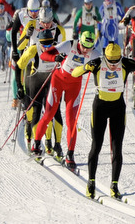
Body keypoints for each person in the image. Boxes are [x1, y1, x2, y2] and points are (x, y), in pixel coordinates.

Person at [74, 43, 135, 200]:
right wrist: (85, 67)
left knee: (117, 148)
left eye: (116, 61)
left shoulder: (125, 63)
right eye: (111, 61)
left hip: (118, 109)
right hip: (100, 108)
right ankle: (91, 182)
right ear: (105, 57)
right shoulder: (97, 63)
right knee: (96, 146)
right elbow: (75, 73)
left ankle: (114, 185)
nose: (114, 64)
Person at [31, 28, 100, 170]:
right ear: (79, 42)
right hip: (58, 80)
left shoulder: (95, 54)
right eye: (84, 47)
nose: (86, 51)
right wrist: (54, 58)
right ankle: (37, 143)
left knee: (71, 121)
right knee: (49, 113)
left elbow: (108, 65)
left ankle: (70, 154)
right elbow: (45, 55)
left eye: (89, 48)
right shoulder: (69, 45)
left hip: (74, 86)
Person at [16, 5, 65, 159]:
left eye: (48, 22)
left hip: (52, 73)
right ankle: (33, 141)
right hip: (33, 69)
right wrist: (26, 36)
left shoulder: (59, 31)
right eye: (43, 22)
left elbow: (65, 52)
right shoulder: (31, 26)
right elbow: (19, 48)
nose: (45, 25)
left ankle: (54, 144)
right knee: (33, 111)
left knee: (53, 111)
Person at [10, 0, 41, 107]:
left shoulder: (42, 14)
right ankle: (16, 97)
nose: (34, 14)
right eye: (32, 11)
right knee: (17, 71)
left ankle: (31, 96)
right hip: (21, 44)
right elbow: (13, 33)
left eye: (36, 11)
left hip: (34, 45)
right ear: (28, 10)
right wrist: (14, 51)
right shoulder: (21, 14)